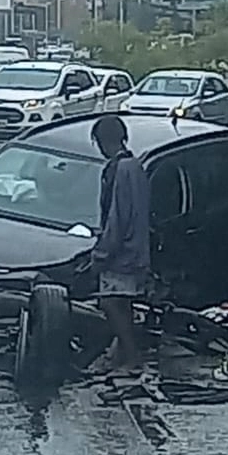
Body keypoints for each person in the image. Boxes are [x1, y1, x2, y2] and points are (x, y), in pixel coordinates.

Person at [90, 114, 151, 371]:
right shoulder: (136, 166)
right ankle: (120, 354)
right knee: (123, 303)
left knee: (111, 302)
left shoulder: (118, 170)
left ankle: (132, 356)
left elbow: (117, 216)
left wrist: (102, 253)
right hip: (137, 247)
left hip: (123, 253)